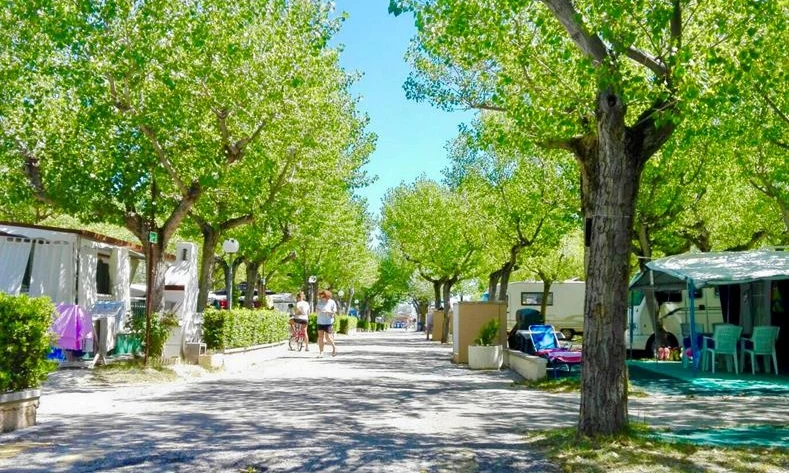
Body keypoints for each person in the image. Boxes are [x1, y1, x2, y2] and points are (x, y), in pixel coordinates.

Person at [315, 289, 338, 357]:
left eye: (323, 297)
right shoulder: (320, 302)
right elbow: (317, 310)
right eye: (321, 297)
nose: (322, 298)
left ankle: (334, 347)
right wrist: (318, 311)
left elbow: (334, 312)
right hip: (320, 321)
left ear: (327, 296)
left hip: (328, 322)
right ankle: (321, 353)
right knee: (320, 338)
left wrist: (328, 312)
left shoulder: (332, 302)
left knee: (328, 338)